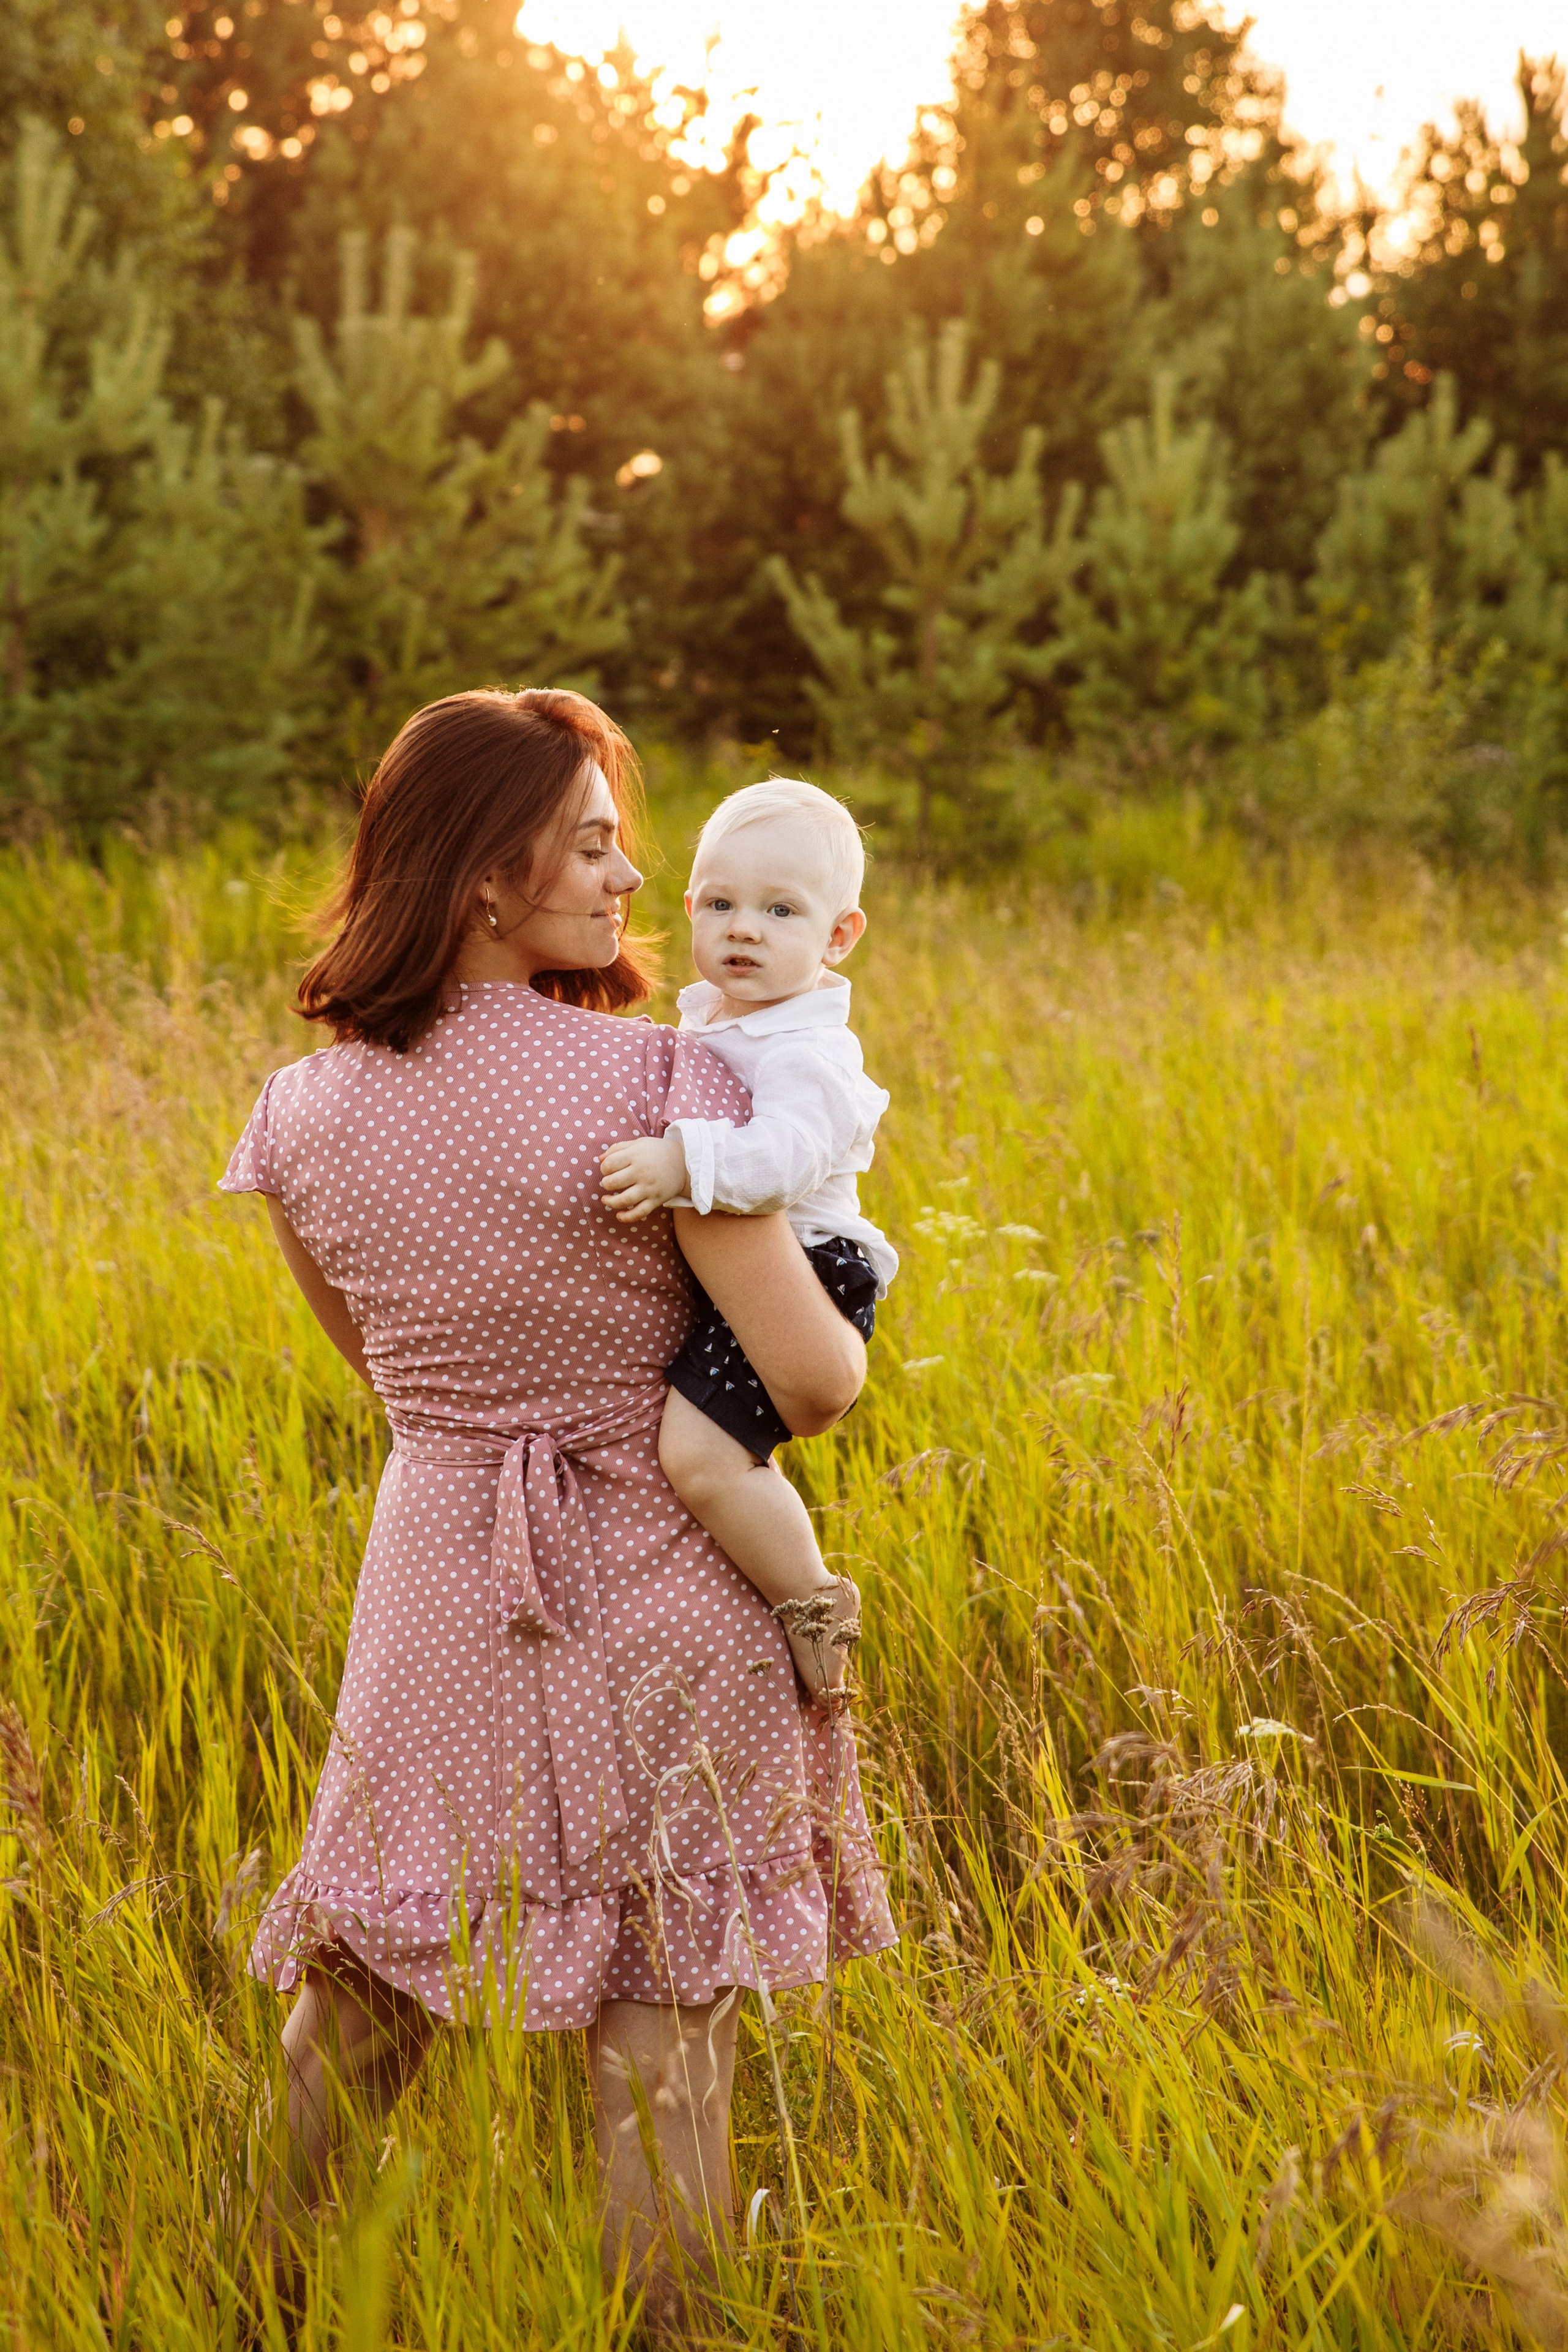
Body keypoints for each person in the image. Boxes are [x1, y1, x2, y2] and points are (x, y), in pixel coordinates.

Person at [218, 688, 895, 2326]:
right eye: (592, 844)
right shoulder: (663, 1084)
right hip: (667, 1576)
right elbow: (810, 1378)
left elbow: (387, 1381)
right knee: (664, 2037)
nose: (628, 882)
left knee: (367, 2000)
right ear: (482, 879)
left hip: (444, 1580)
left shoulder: (301, 1114)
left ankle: (234, 2309)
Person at [598, 780, 895, 1705]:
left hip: (811, 1267)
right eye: (722, 904)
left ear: (838, 936)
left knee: (702, 1456)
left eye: (780, 911)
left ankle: (810, 1600)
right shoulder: (718, 1019)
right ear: (689, 908)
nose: (746, 929)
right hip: (757, 1263)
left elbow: (783, 1162)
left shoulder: (806, 1051)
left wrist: (680, 1163)